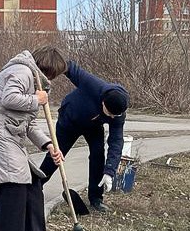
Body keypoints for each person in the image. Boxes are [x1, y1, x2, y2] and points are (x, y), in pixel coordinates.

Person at [0, 46, 67, 231]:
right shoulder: (23, 71)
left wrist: (49, 145)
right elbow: (9, 98)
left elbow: (30, 123)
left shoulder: (37, 81)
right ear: (49, 68)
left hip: (8, 131)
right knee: (13, 182)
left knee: (32, 182)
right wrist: (37, 99)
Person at [36, 60, 128, 213]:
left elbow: (116, 141)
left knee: (98, 155)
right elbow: (68, 66)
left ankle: (96, 198)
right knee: (57, 153)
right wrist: (45, 73)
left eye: (115, 115)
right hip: (70, 119)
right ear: (103, 102)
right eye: (110, 114)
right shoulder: (93, 85)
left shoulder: (118, 113)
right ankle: (36, 185)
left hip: (93, 126)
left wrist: (110, 171)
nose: (112, 118)